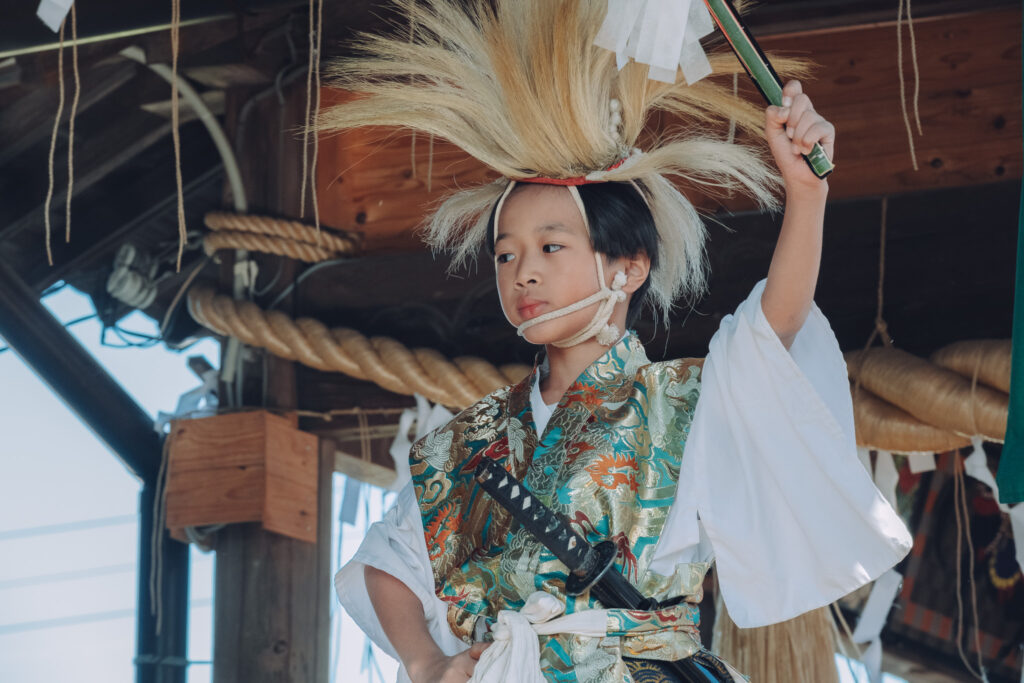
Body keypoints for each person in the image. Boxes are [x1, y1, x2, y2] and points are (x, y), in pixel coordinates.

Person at [324, 1, 913, 681]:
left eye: (550, 245)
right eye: (506, 255)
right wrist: (427, 661)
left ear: (627, 267)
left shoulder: (681, 404)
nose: (525, 271)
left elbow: (774, 324)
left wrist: (805, 196)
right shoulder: (469, 440)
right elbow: (388, 564)